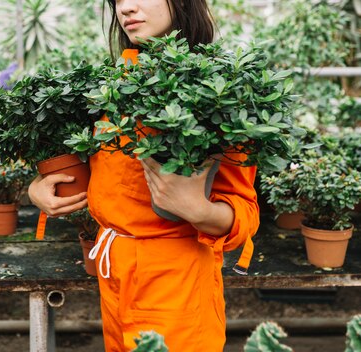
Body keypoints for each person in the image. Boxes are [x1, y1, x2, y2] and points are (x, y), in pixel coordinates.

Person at [28, 0, 259, 351]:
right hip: (114, 269)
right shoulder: (116, 80)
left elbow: (244, 210)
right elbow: (112, 171)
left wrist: (198, 210)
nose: (126, 8)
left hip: (174, 279)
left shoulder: (218, 92)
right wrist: (41, 187)